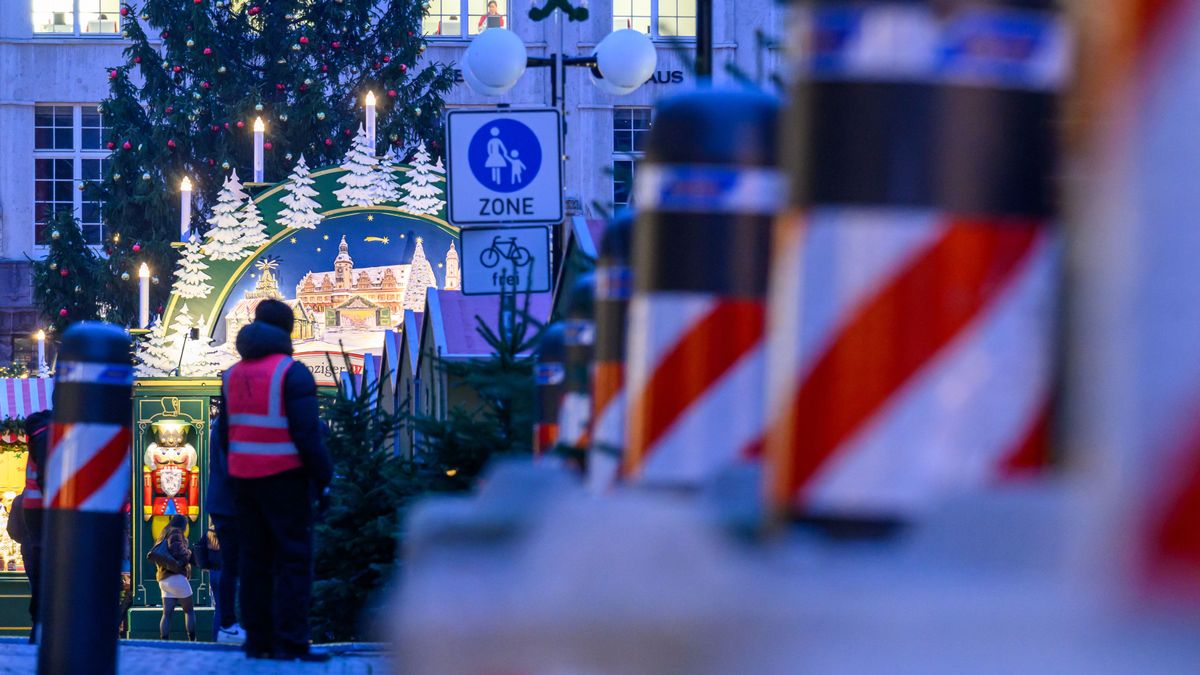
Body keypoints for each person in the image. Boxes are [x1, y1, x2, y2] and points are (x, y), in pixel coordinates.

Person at [217, 299, 332, 661]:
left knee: (254, 562)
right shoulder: (291, 373)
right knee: (293, 560)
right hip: (286, 479)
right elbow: (307, 435)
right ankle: (292, 642)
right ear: (287, 330)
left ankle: (258, 642)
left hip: (243, 482)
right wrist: (324, 479)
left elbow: (225, 435)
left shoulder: (232, 376)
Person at [205, 418, 244, 644]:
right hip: (234, 504)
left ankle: (228, 627)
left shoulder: (221, 424)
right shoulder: (231, 424)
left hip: (223, 505)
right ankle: (232, 626)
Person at [19, 410, 50, 644]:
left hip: (34, 509)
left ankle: (39, 625)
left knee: (41, 572)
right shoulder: (48, 436)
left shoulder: (38, 436)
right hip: (45, 509)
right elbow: (47, 478)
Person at [152, 514, 196, 641]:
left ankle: (164, 642)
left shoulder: (164, 532)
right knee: (189, 611)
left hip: (164, 578)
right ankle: (192, 641)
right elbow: (178, 552)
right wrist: (190, 553)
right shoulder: (176, 532)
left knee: (166, 614)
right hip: (176, 576)